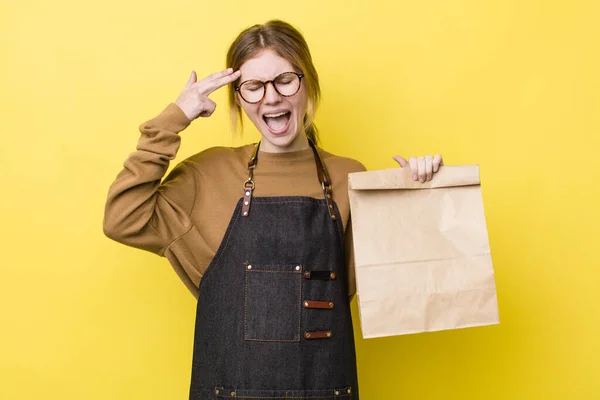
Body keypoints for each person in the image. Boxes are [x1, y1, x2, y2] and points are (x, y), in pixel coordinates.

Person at [103, 20, 442, 400]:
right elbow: (122, 218)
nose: (272, 97)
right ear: (238, 98)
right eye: (254, 86)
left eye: (285, 80)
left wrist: (417, 198)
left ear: (307, 83)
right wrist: (172, 119)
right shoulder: (208, 174)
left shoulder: (350, 176)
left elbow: (396, 287)